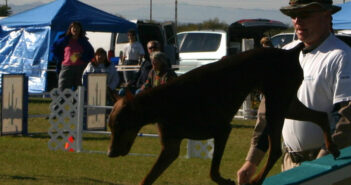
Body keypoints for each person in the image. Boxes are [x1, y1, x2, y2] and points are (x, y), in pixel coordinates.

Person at [237, 0, 351, 184]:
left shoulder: (341, 56)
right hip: (290, 162)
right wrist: (251, 161)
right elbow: (268, 113)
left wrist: (322, 164)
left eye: (305, 14)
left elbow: (346, 117)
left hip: (330, 166)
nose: (298, 21)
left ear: (326, 15)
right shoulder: (284, 54)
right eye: (293, 15)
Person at [52, 21, 94, 91]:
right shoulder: (64, 40)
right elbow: (54, 49)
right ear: (70, 29)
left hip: (80, 68)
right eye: (73, 27)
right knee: (63, 87)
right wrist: (61, 58)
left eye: (77, 27)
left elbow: (91, 53)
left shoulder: (84, 42)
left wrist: (83, 56)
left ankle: (77, 102)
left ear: (80, 30)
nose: (75, 29)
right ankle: (63, 101)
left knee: (78, 88)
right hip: (66, 67)